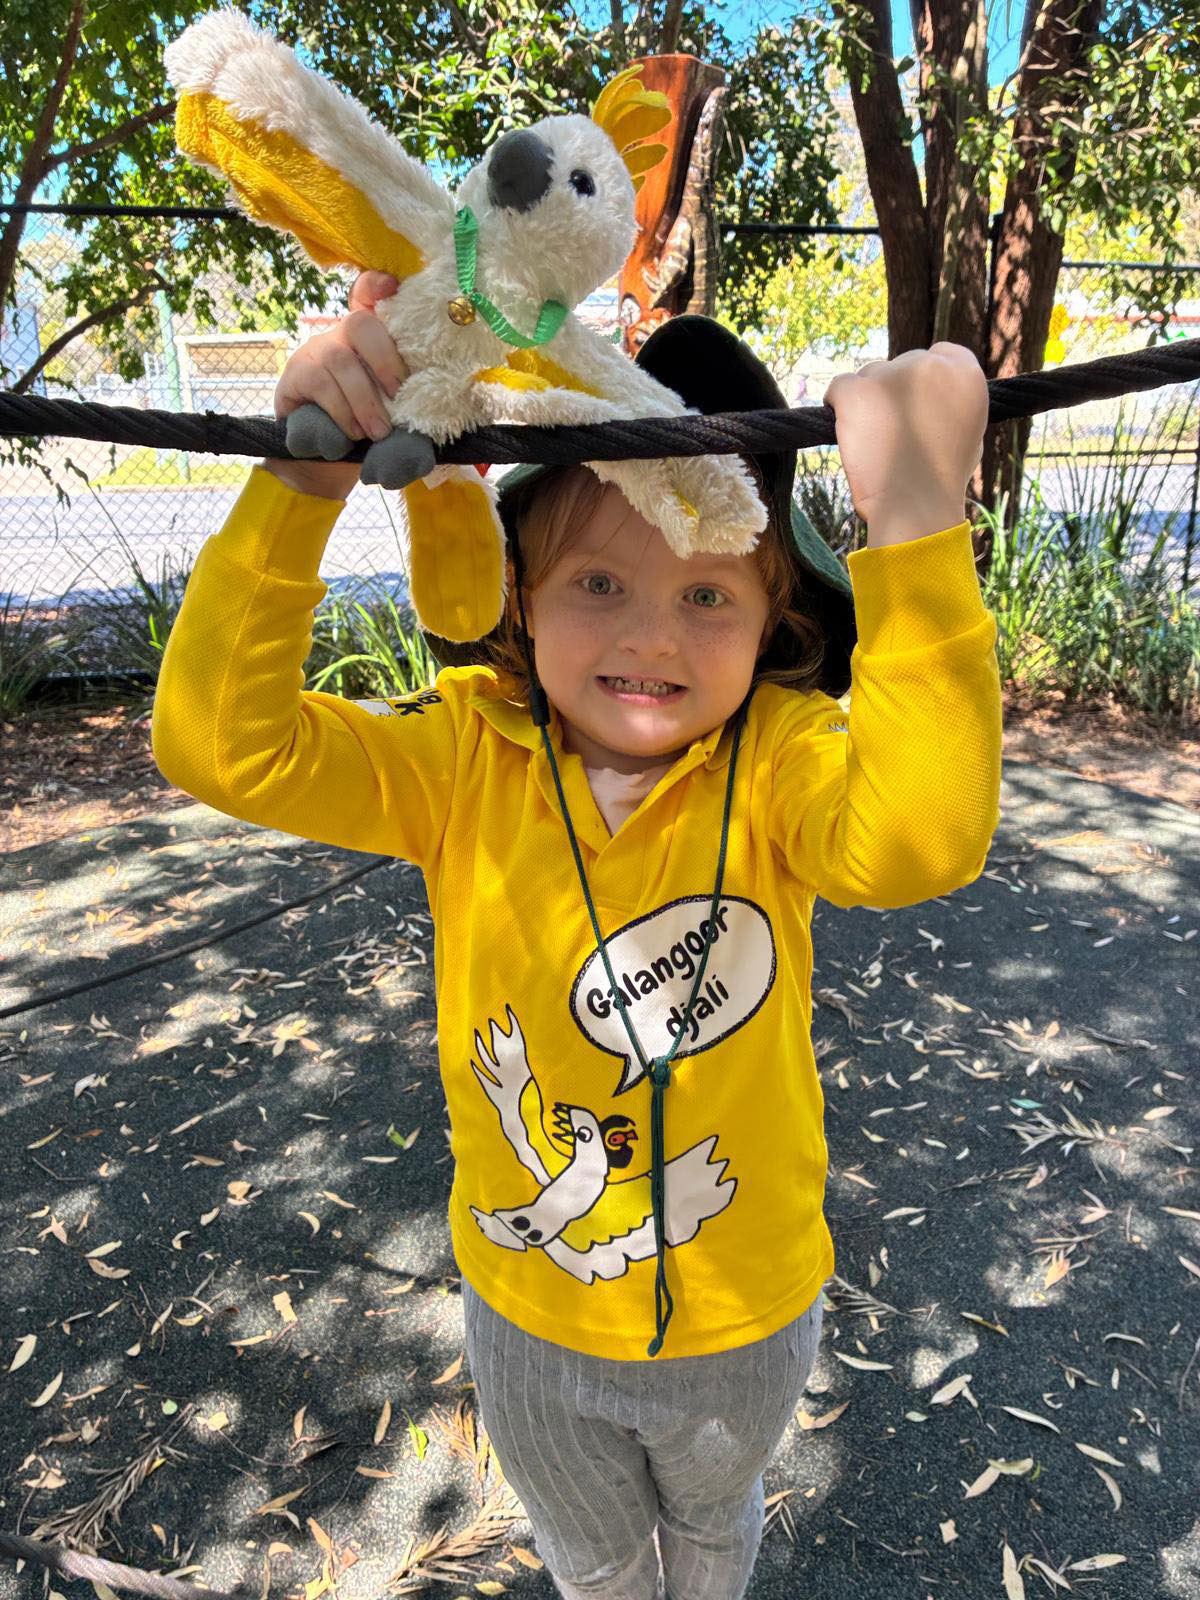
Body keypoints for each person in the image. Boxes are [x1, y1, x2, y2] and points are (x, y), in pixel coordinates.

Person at [151, 269, 1000, 1600]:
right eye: (599, 580)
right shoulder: (456, 760)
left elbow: (921, 842)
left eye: (711, 596)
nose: (653, 637)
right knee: (599, 1566)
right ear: (518, 599)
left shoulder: (776, 758)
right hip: (532, 1316)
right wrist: (299, 485)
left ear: (775, 619)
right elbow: (218, 743)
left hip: (746, 1314)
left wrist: (916, 528)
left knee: (713, 1542)